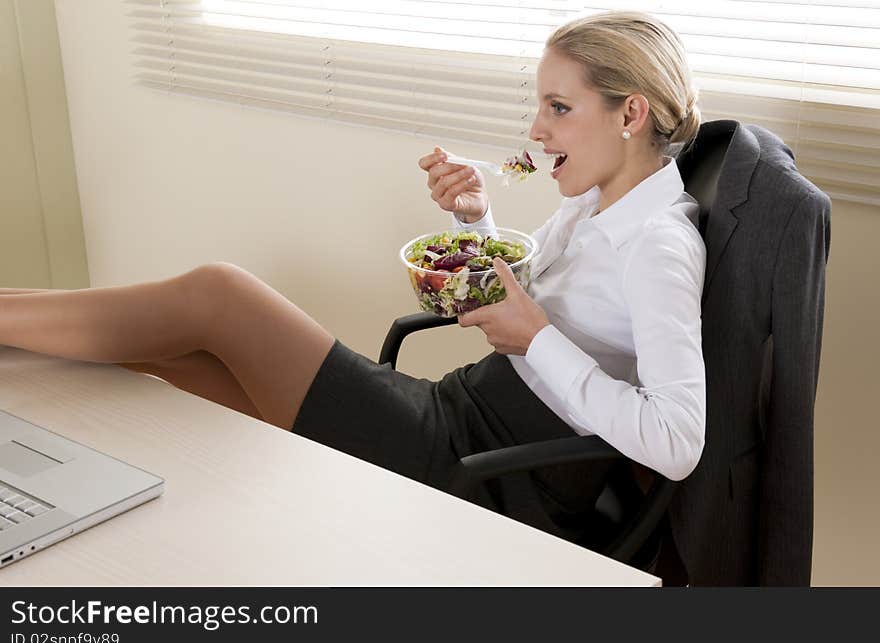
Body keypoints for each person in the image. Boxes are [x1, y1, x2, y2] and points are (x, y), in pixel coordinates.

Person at [0, 11, 704, 551]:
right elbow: (513, 297)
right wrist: (477, 218)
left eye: (558, 107)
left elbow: (678, 441)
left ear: (631, 113)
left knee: (220, 296)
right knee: (181, 357)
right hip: (456, 413)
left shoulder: (658, 245)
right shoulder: (593, 204)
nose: (536, 128)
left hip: (478, 467)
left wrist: (539, 338)